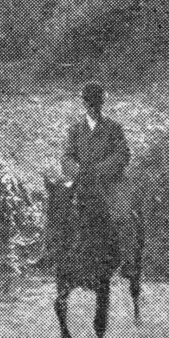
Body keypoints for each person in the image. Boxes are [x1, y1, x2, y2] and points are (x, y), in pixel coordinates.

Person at [61, 82, 142, 281]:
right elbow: (66, 157)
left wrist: (100, 171)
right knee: (59, 206)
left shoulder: (113, 128)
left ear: (102, 103)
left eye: (96, 103)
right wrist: (77, 171)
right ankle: (55, 255)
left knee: (122, 214)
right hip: (82, 181)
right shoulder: (75, 129)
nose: (93, 108)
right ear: (84, 104)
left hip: (110, 182)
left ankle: (128, 261)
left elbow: (123, 154)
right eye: (89, 103)